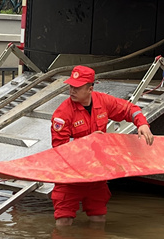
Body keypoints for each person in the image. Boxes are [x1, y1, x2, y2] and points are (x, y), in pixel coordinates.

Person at [49, 65, 154, 227]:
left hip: (96, 174)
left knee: (98, 217)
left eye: (77, 88)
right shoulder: (62, 114)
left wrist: (142, 124)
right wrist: (87, 142)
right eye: (71, 86)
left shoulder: (102, 101)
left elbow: (129, 109)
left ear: (90, 88)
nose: (72, 91)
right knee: (64, 220)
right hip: (69, 176)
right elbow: (59, 149)